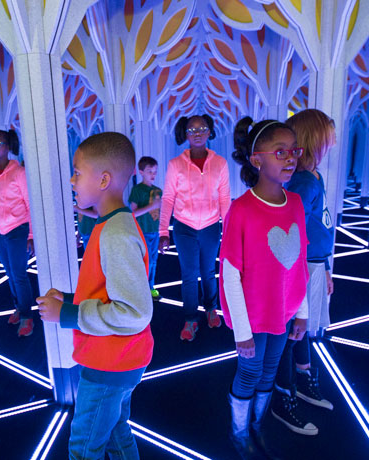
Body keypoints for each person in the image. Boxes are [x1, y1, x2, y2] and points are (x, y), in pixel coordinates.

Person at [37, 132, 153, 460]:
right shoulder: (112, 226)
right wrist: (71, 299)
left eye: (77, 171)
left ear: (103, 179)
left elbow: (134, 311)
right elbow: (108, 291)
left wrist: (68, 315)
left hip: (109, 363)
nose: (73, 180)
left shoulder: (115, 234)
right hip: (117, 359)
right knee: (116, 433)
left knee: (84, 447)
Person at [221, 117, 310, 458]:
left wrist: (302, 312)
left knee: (271, 369)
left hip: (283, 312)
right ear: (256, 159)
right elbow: (230, 274)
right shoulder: (241, 210)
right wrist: (241, 331)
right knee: (250, 369)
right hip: (253, 316)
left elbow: (299, 260)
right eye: (280, 152)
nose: (290, 158)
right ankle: (239, 432)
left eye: (294, 151)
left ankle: (258, 424)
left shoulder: (297, 204)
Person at [277, 110, 337, 415]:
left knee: (302, 330)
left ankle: (302, 375)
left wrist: (325, 268)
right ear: (316, 140)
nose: (334, 138)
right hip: (301, 265)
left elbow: (321, 225)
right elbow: (293, 236)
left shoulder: (314, 176)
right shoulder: (302, 182)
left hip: (315, 263)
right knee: (292, 331)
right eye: (329, 133)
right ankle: (283, 393)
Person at [159, 114, 231, 341]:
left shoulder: (220, 163)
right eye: (192, 130)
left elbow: (224, 198)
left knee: (209, 271)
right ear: (186, 134)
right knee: (189, 274)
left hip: (211, 225)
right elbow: (168, 198)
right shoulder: (175, 165)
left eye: (202, 128)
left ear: (210, 131)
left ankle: (211, 308)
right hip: (184, 227)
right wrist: (163, 231)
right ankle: (191, 318)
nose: (198, 133)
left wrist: (228, 230)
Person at [0, 129, 37, 337]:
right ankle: (19, 308)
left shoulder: (18, 172)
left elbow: (31, 204)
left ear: (7, 145)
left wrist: (31, 236)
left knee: (19, 274)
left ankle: (27, 316)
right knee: (9, 273)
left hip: (17, 229)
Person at [128, 156, 162, 299]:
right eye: (150, 171)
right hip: (142, 231)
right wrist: (151, 206)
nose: (153, 175)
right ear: (141, 172)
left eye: (155, 172)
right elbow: (133, 213)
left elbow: (159, 212)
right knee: (144, 261)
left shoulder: (158, 191)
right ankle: (141, 289)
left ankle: (150, 287)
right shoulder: (137, 190)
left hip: (155, 231)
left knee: (153, 261)